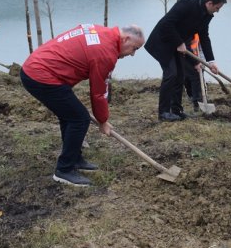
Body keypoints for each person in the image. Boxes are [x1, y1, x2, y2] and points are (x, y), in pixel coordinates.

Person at [20, 24, 145, 187]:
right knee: (79, 119)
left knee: (70, 116)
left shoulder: (101, 31)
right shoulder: (106, 53)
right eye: (134, 48)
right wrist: (103, 120)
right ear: (126, 39)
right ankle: (64, 170)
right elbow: (98, 92)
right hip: (41, 76)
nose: (133, 54)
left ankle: (75, 158)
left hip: (39, 68)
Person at [145, 0, 226, 122]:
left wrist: (211, 61)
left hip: (178, 45)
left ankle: (176, 110)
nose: (218, 11)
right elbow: (167, 23)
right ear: (210, 3)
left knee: (180, 76)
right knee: (171, 74)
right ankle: (163, 112)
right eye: (217, 8)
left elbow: (204, 37)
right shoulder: (187, 4)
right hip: (162, 42)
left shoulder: (206, 15)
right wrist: (179, 42)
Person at [183, 33, 203, 112]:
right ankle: (191, 95)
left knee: (197, 77)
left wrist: (202, 61)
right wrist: (196, 63)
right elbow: (186, 48)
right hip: (186, 57)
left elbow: (202, 48)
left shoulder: (199, 34)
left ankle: (197, 101)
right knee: (186, 78)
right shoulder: (188, 33)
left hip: (197, 58)